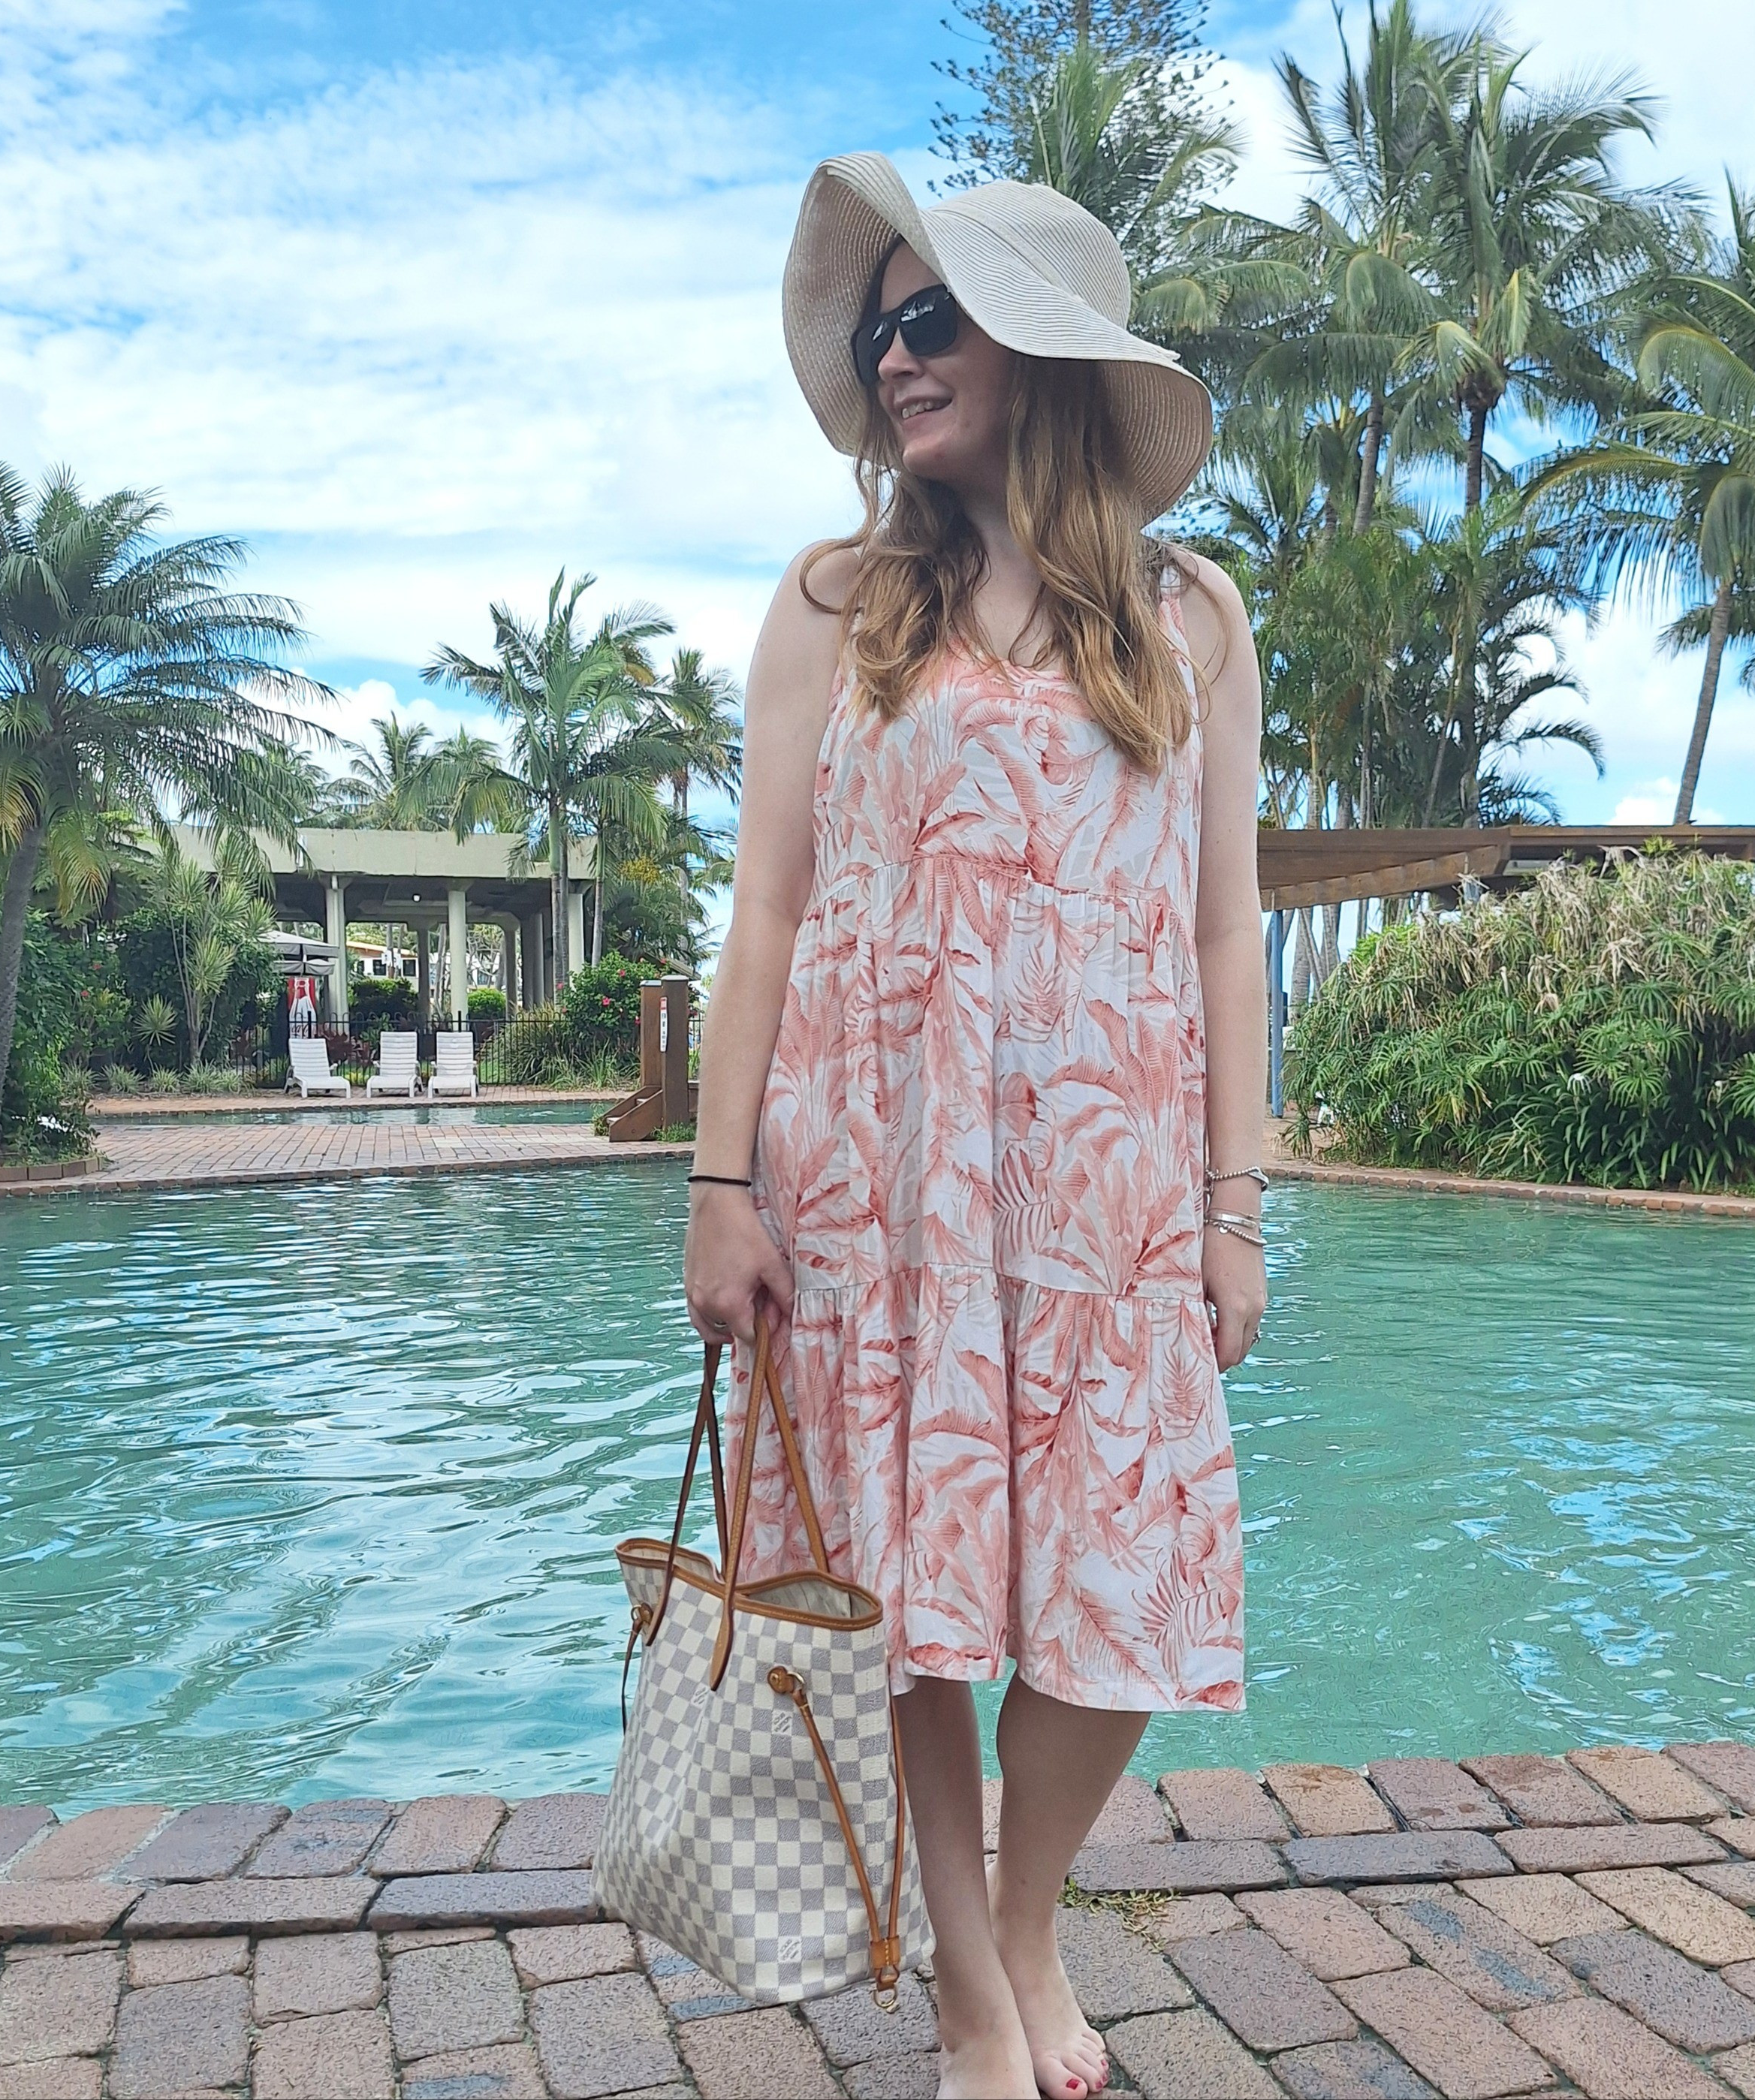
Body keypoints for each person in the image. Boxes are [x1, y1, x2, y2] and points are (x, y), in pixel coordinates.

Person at [683, 153, 1267, 2100]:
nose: (894, 354)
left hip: (1108, 1205)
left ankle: (1020, 1925)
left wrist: (1235, 1206)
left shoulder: (1192, 621)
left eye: (933, 317)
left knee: (1116, 1602)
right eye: (882, 327)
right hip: (879, 1186)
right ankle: (971, 1988)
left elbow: (1222, 927)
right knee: (917, 1592)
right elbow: (760, 908)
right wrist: (717, 1185)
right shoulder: (837, 603)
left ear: (1045, 351)